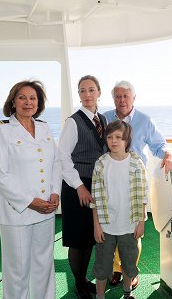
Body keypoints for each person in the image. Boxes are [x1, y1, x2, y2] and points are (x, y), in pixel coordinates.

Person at [0, 80, 61, 299]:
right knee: (17, 270)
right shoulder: (1, 130)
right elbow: (0, 175)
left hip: (45, 209)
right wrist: (31, 202)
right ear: (13, 101)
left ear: (39, 103)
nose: (28, 102)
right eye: (22, 97)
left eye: (33, 98)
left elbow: (56, 162)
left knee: (43, 265)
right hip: (17, 211)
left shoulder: (44, 127)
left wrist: (55, 192)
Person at [103, 80, 172, 288]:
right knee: (113, 226)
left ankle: (129, 269)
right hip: (110, 181)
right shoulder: (105, 118)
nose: (121, 100)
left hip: (135, 183)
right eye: (117, 96)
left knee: (134, 229)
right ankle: (117, 268)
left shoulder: (145, 120)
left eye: (126, 95)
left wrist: (168, 154)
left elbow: (159, 145)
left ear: (134, 98)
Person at [58, 75, 107, 299]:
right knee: (78, 239)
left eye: (91, 90)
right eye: (82, 91)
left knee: (89, 236)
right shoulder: (73, 122)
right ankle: (79, 283)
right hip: (77, 185)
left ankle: (84, 279)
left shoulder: (103, 120)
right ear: (79, 95)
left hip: (96, 184)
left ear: (98, 92)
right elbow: (63, 158)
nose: (86, 95)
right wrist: (79, 186)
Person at [90, 120, 148, 299]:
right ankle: (100, 296)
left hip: (129, 225)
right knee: (102, 266)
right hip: (106, 227)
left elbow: (143, 195)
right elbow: (95, 199)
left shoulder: (137, 163)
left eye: (118, 137)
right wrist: (96, 226)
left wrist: (141, 223)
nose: (114, 141)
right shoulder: (101, 164)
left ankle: (127, 292)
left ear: (127, 140)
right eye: (109, 137)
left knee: (130, 264)